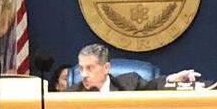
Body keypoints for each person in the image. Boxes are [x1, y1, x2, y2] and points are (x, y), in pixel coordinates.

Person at [68, 43, 200, 91]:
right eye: (81, 68)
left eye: (90, 68)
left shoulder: (130, 83)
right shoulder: (71, 94)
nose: (83, 74)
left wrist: (172, 79)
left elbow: (153, 86)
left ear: (106, 68)